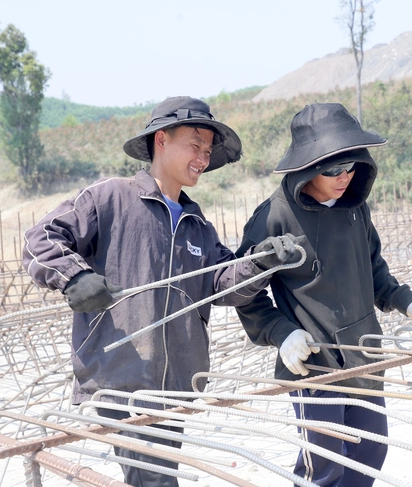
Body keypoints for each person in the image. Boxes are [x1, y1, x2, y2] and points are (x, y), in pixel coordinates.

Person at [22, 96, 301, 487]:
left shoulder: (197, 226)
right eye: (195, 144)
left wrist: (261, 261)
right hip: (119, 380)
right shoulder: (110, 198)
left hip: (175, 385)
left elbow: (220, 285)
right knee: (156, 481)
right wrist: (74, 277)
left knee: (157, 476)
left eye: (207, 150)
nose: (203, 157)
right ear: (161, 140)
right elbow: (41, 238)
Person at [235, 102, 412, 487]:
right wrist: (283, 334)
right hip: (314, 364)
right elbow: (243, 292)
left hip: (363, 352)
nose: (344, 176)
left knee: (370, 452)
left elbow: (372, 267)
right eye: (333, 169)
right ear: (306, 167)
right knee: (326, 465)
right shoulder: (272, 217)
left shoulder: (355, 206)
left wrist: (405, 300)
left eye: (352, 166)